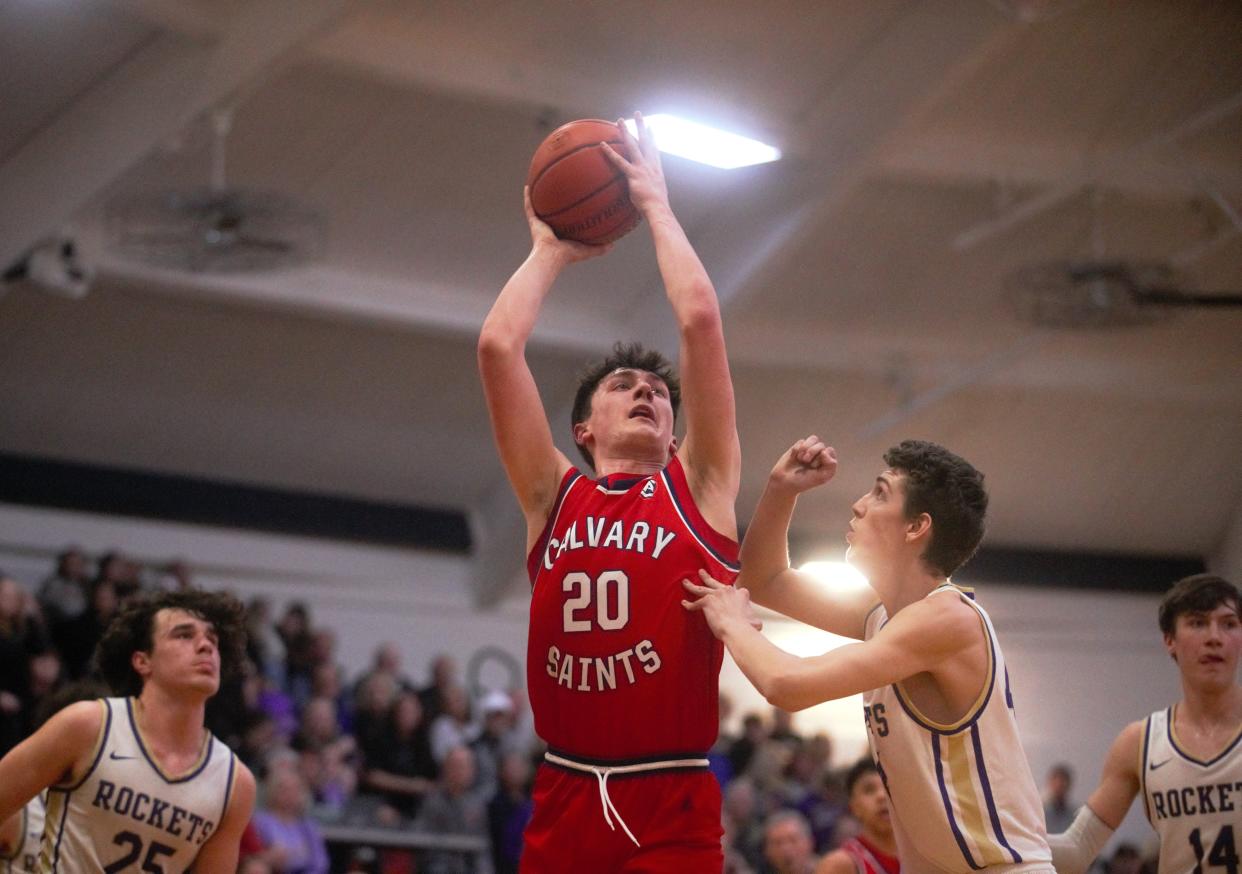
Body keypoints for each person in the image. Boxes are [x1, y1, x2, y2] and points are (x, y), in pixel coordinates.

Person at [478, 112, 743, 871]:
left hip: (670, 796)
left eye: (660, 392)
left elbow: (699, 319)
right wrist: (548, 253)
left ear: (673, 431)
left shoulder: (702, 486)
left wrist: (656, 205)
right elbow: (499, 348)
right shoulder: (550, 498)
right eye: (623, 386)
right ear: (583, 429)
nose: (647, 394)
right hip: (563, 791)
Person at [684, 436, 1052, 873]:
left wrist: (731, 623)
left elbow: (787, 684)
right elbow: (766, 581)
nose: (858, 504)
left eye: (879, 493)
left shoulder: (948, 618)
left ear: (916, 527)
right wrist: (781, 490)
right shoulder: (882, 613)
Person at [0, 589, 256, 871]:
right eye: (184, 635)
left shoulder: (235, 783)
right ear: (142, 661)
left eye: (213, 639)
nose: (206, 646)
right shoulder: (88, 726)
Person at [1046, 574, 1241, 874]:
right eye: (1198, 623)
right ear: (1169, 640)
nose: (1215, 636)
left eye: (1228, 623)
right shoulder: (1139, 742)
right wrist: (989, 841)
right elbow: (1077, 850)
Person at [816, 759, 900, 874]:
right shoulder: (839, 865)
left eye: (888, 786)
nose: (881, 796)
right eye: (869, 790)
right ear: (854, 806)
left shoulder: (922, 856)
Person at [764, 810, 819, 874]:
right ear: (767, 851)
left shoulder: (829, 869)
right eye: (777, 843)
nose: (786, 849)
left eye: (793, 841)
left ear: (810, 842)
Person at [1041, 763, 1075, 834]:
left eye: (1062, 783)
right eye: (1056, 782)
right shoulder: (1040, 812)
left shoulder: (1075, 816)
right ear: (1050, 783)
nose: (1059, 786)